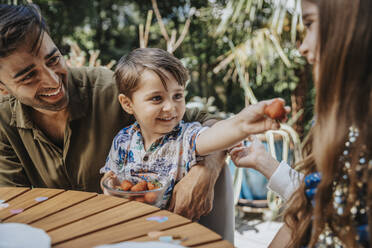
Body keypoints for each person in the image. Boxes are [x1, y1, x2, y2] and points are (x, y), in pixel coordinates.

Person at [0, 3, 231, 242]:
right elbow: (17, 207)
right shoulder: (4, 125)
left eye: (53, 59)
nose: (52, 79)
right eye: (28, 76)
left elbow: (210, 122)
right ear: (2, 87)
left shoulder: (112, 91)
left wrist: (206, 170)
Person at [248, 0, 371, 247]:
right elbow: (313, 206)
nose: (303, 47)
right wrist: (262, 160)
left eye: (311, 24)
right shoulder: (339, 121)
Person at [100, 48, 283, 209]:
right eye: (157, 98)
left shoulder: (185, 138)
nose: (171, 107)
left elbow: (215, 136)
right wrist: (111, 185)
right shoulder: (122, 140)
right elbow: (112, 179)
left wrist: (243, 125)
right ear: (127, 104)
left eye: (177, 95)